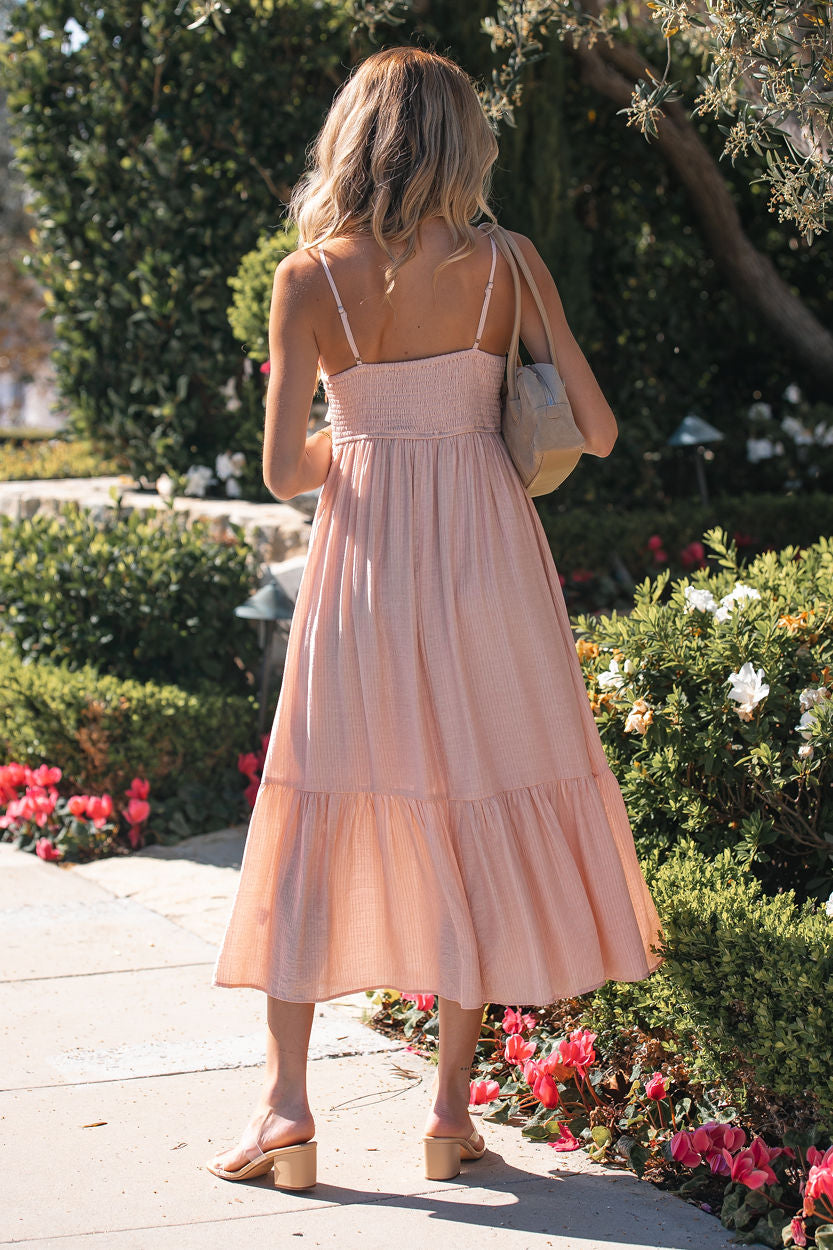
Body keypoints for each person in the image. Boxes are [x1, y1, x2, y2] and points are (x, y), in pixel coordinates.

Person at [208, 44, 665, 1188]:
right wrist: (459, 420)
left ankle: (285, 1111)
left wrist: (368, 437)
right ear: (464, 142)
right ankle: (451, 1116)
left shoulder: (306, 276)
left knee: (321, 801)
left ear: (349, 138)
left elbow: (279, 471)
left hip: (363, 565)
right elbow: (598, 432)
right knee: (468, 801)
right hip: (487, 565)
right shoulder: (509, 261)